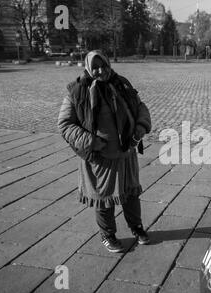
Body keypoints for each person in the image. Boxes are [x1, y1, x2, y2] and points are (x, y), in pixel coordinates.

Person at [58, 50, 152, 253]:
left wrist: (140, 128)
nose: (101, 70)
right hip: (100, 158)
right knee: (104, 198)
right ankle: (107, 234)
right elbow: (65, 124)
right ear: (89, 68)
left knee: (131, 194)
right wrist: (91, 142)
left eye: (104, 65)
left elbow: (140, 107)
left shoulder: (122, 83)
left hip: (126, 154)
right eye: (96, 67)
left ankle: (137, 228)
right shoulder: (77, 91)